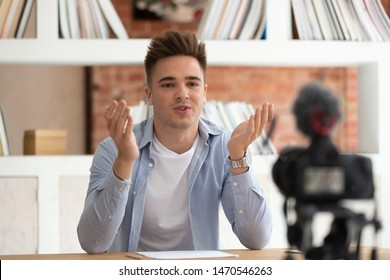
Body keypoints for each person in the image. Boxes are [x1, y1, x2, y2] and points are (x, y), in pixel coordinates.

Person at [77, 30, 274, 254]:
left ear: (204, 92)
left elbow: (257, 239)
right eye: (168, 85)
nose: (182, 94)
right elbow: (93, 243)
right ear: (149, 96)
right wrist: (124, 161)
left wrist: (238, 157)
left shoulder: (225, 148)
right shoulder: (113, 150)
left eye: (192, 84)